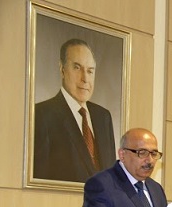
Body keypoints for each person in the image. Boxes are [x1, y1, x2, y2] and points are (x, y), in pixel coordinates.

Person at [34, 38, 116, 183]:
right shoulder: (41, 115)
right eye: (77, 68)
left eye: (90, 71)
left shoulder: (103, 117)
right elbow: (39, 181)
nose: (85, 78)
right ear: (62, 69)